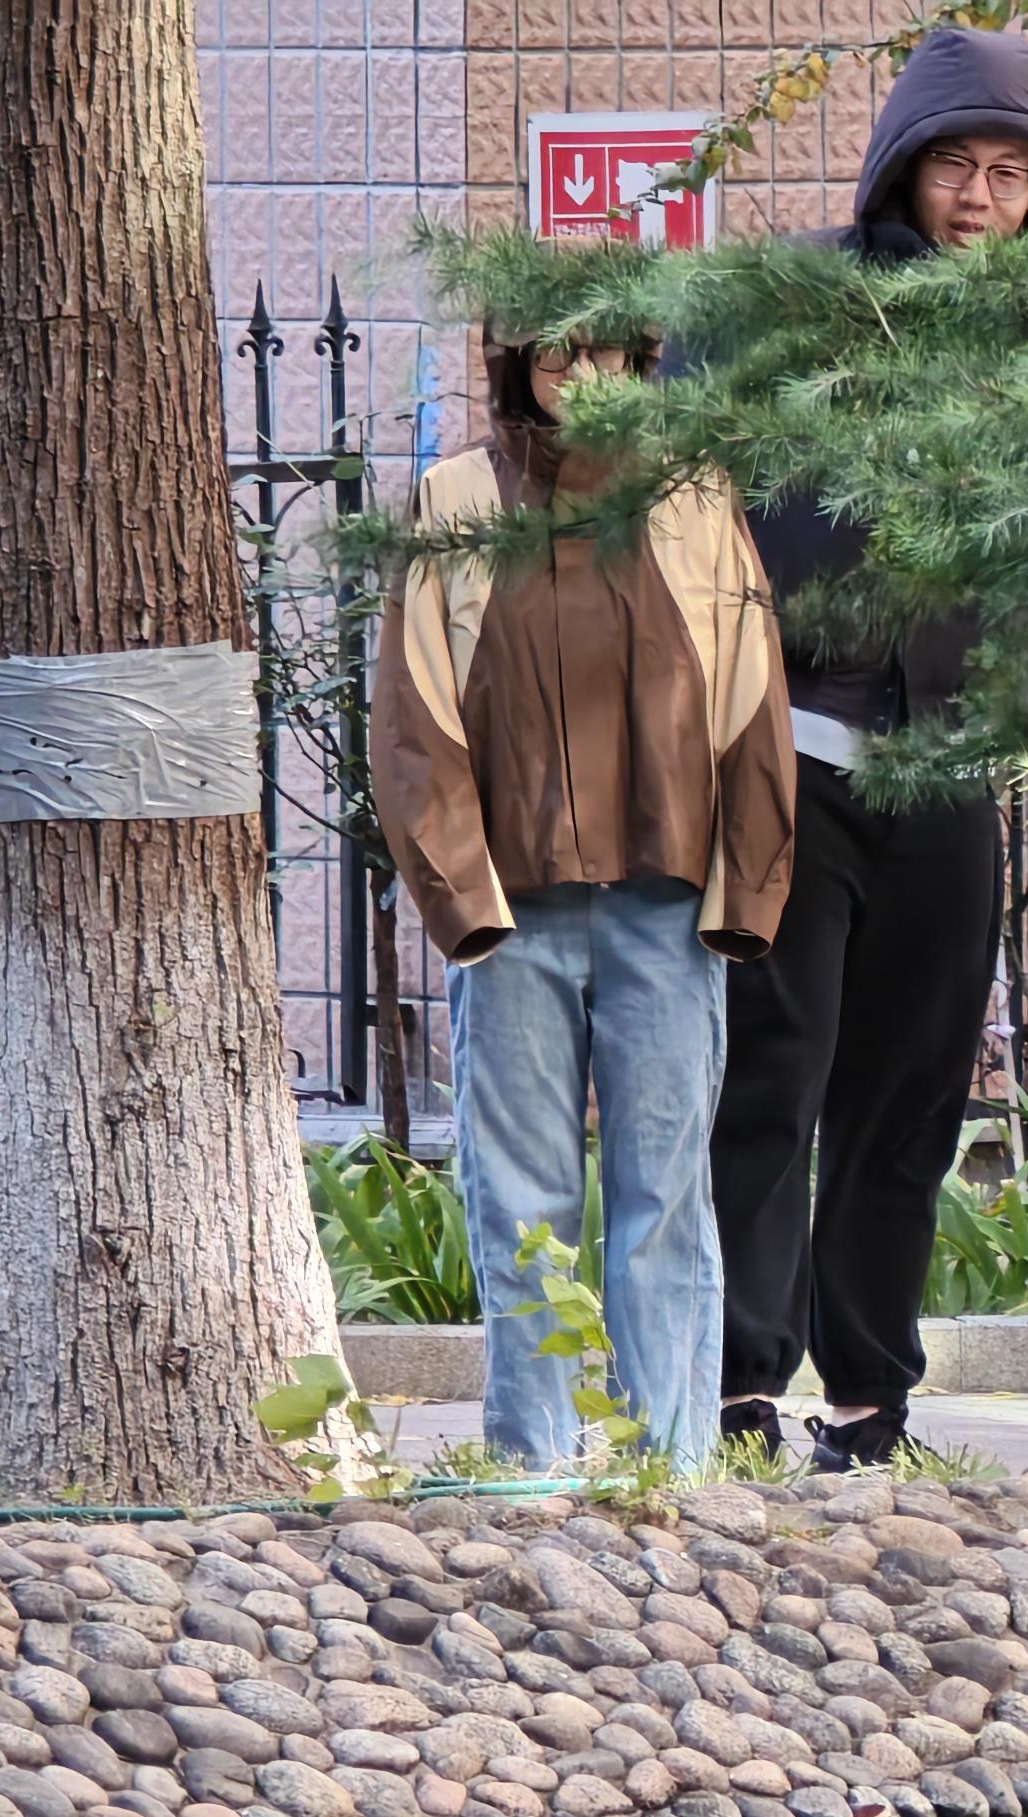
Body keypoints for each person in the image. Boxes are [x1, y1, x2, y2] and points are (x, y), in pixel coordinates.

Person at [713, 27, 1028, 1471]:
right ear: (900, 169)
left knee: (911, 1096)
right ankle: (737, 1391)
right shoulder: (796, 307)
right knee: (768, 1081)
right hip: (790, 761)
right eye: (955, 165)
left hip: (947, 777)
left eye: (1012, 174)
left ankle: (871, 1404)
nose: (980, 199)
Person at [375, 329, 794, 1470]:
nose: (583, 373)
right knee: (523, 1201)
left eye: (607, 349)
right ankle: (537, 1464)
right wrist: (462, 899)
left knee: (666, 1195)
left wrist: (747, 884)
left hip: (668, 908)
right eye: (557, 351)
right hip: (512, 916)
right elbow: (414, 714)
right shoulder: (456, 500)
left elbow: (751, 694)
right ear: (514, 359)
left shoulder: (693, 496)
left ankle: (673, 1463)